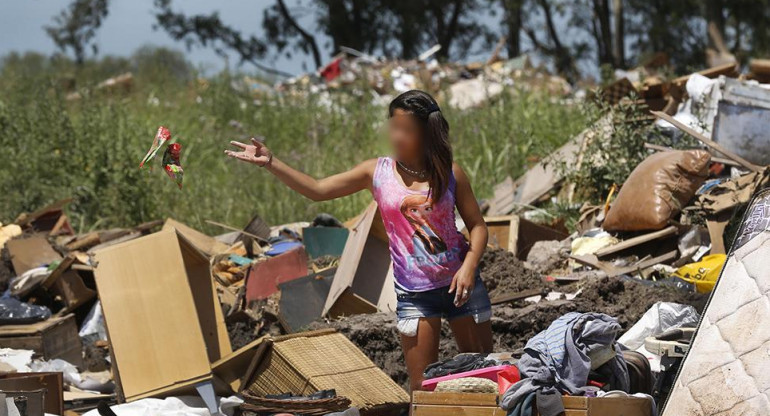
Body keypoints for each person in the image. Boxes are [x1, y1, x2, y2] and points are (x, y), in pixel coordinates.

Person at [225, 89, 493, 392]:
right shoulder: (376, 172)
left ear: (426, 132)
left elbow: (478, 227)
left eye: (406, 130)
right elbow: (318, 190)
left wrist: (469, 267)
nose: (397, 136)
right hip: (416, 293)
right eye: (393, 127)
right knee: (423, 387)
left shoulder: (451, 172)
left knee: (484, 376)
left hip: (462, 286)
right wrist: (271, 162)